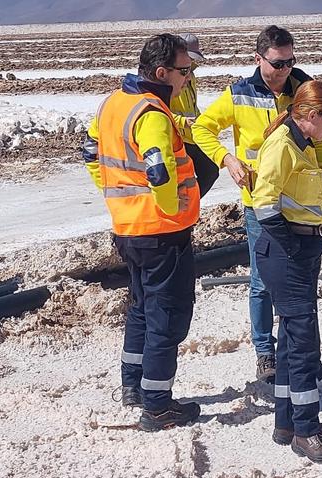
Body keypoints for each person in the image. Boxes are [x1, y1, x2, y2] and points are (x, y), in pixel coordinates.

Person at [192, 25, 322, 383]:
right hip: (261, 201)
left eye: (290, 61)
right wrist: (227, 159)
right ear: (258, 59)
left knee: (303, 282)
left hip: (302, 202)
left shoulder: (302, 87)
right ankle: (266, 354)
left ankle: (307, 354)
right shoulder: (239, 94)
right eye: (277, 63)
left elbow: (319, 137)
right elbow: (202, 128)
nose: (285, 69)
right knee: (262, 281)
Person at [82, 33, 202, 431]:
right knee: (166, 317)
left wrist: (112, 193)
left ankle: (133, 386)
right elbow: (158, 169)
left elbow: (90, 153)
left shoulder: (113, 103)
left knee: (140, 308)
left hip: (128, 228)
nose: (188, 78)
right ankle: (157, 404)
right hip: (160, 232)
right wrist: (173, 209)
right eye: (184, 71)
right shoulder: (150, 113)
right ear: (162, 71)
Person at [252, 80, 322, 464]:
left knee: (290, 336)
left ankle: (286, 421)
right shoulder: (282, 145)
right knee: (303, 341)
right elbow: (264, 203)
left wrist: (319, 141)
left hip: (303, 246)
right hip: (285, 249)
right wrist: (290, 247)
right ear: (308, 115)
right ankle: (305, 431)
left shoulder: (304, 143)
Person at [170, 33, 219, 198]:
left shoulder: (191, 76)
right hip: (178, 138)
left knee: (211, 171)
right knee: (185, 178)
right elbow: (159, 110)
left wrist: (201, 121)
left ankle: (190, 205)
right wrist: (183, 121)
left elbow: (192, 106)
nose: (192, 63)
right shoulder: (171, 78)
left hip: (192, 136)